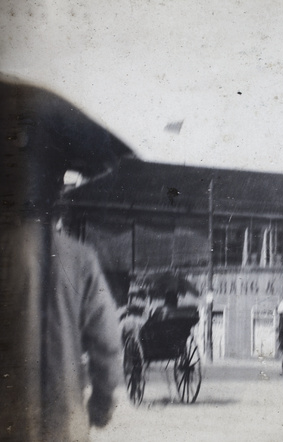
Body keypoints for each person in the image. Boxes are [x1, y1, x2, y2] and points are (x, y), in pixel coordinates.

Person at [0, 77, 130, 441]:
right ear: (55, 187)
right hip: (62, 426)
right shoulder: (78, 258)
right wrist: (102, 402)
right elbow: (106, 344)